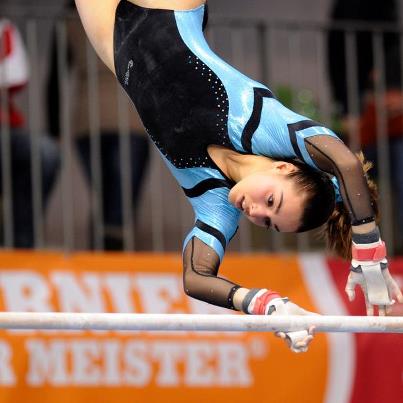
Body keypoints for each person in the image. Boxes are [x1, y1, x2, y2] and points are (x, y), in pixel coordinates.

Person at [74, 0, 403, 353]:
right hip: (169, 9)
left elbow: (196, 278)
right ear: (284, 167)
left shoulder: (213, 201)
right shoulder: (263, 125)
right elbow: (345, 163)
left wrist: (265, 304)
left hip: (116, 46)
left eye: (268, 222)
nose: (257, 213)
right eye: (272, 202)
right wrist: (369, 251)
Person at [47, 1, 149, 250]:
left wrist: (55, 129)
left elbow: (53, 80)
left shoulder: (71, 20)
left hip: (89, 119)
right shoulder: (133, 15)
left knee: (110, 199)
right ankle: (110, 259)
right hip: (128, 119)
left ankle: (103, 256)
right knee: (119, 201)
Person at [0, 18, 60, 248]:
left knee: (46, 153)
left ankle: (21, 242)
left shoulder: (4, 28)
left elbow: (17, 74)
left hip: (6, 130)